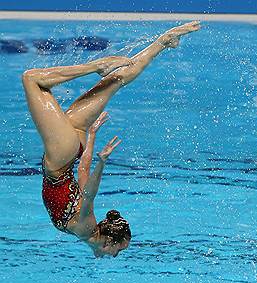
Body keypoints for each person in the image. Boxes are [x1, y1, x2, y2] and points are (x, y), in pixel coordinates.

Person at [22, 21, 200, 257]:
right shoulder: (85, 229)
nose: (114, 255)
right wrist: (103, 161)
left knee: (114, 83)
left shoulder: (89, 225)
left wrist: (92, 136)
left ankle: (162, 44)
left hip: (72, 152)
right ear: (108, 242)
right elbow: (88, 192)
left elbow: (83, 170)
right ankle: (97, 65)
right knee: (31, 79)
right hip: (61, 157)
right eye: (117, 250)